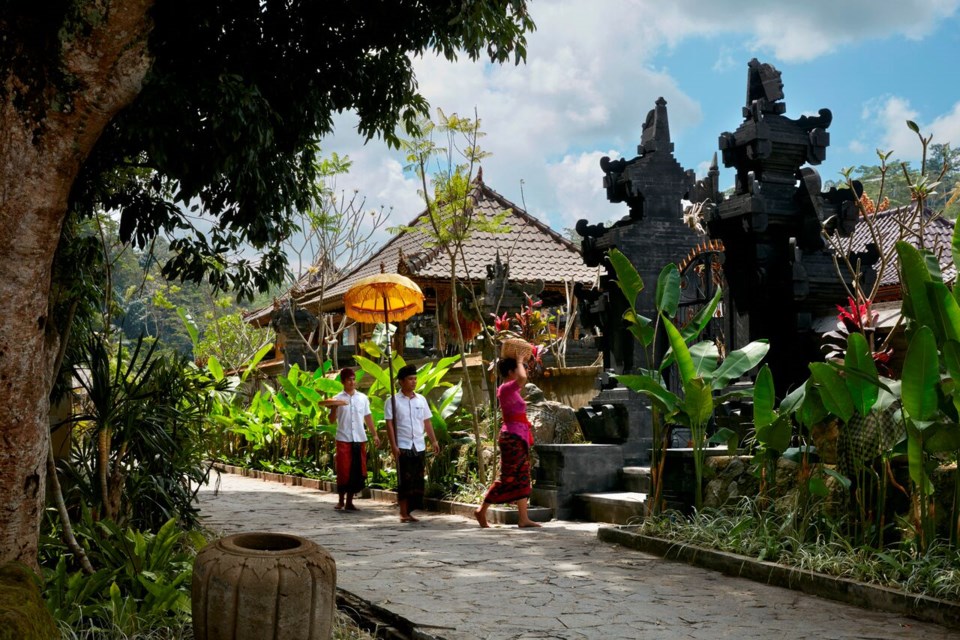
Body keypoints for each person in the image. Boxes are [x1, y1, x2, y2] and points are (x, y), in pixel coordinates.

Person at [474, 356, 542, 528]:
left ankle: (523, 518)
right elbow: (523, 378)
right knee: (508, 477)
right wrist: (519, 360)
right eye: (519, 368)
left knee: (522, 477)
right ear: (511, 371)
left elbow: (522, 379)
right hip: (512, 437)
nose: (523, 370)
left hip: (518, 437)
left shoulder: (511, 391)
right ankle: (481, 510)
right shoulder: (505, 388)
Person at [384, 364, 440, 523]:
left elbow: (427, 421)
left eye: (415, 378)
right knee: (404, 481)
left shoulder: (421, 400)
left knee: (418, 481)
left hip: (419, 444)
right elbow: (389, 424)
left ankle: (409, 510)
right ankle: (403, 512)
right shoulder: (392, 401)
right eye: (410, 379)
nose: (414, 381)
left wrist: (433, 439)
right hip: (403, 445)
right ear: (401, 381)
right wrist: (393, 445)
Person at [328, 367, 379, 511]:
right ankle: (340, 500)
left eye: (353, 379)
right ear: (343, 381)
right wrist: (333, 408)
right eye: (349, 379)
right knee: (344, 470)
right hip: (343, 438)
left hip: (359, 438)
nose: (352, 382)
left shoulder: (362, 398)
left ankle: (350, 501)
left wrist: (374, 434)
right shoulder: (337, 399)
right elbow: (331, 420)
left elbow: (367, 417)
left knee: (356, 470)